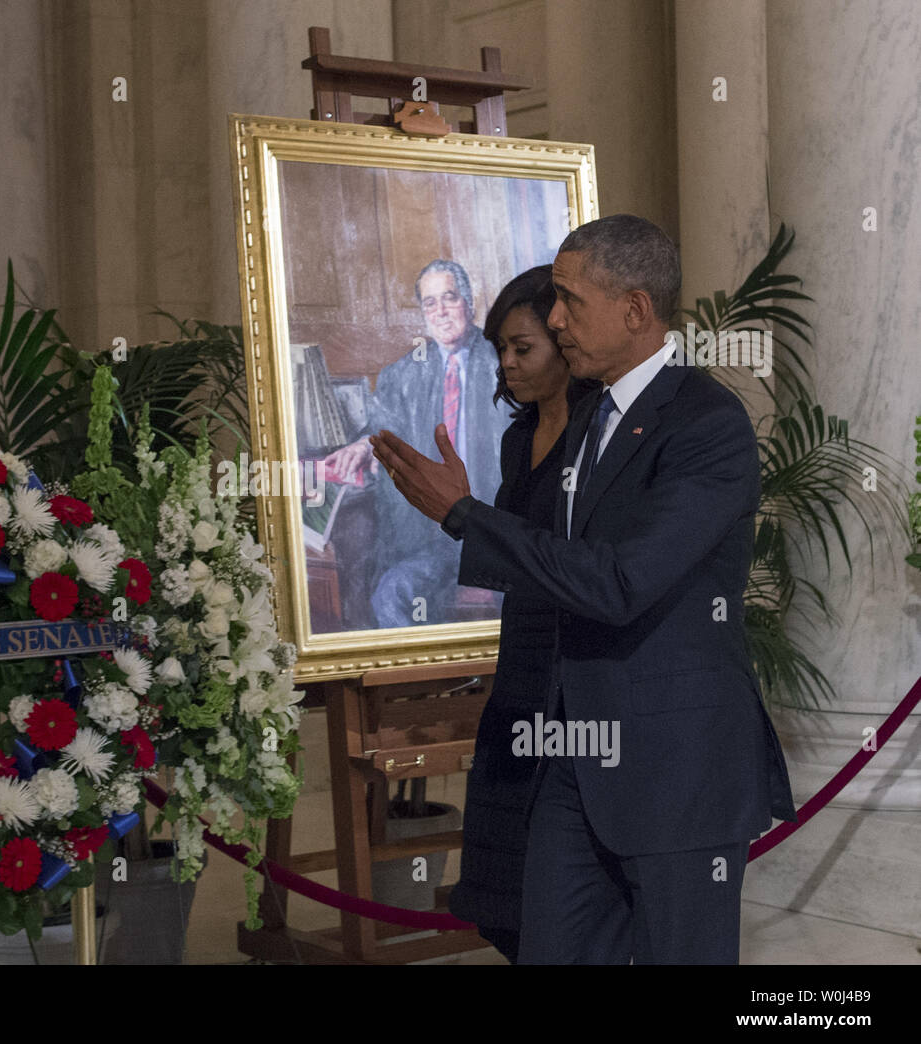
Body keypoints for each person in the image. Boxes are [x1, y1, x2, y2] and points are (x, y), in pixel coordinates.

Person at [371, 214, 796, 964]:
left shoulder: (707, 424)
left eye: (568, 300)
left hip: (675, 767)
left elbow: (621, 581)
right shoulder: (584, 414)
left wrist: (466, 516)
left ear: (635, 310)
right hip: (572, 757)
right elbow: (553, 563)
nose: (555, 318)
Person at [446, 264, 599, 963]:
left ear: (565, 346)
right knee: (500, 899)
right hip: (521, 669)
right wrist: (463, 518)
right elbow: (512, 560)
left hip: (579, 671)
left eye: (522, 347)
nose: (506, 365)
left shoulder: (603, 436)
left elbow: (586, 564)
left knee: (559, 898)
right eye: (499, 351)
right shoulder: (518, 438)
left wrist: (463, 514)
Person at [323, 259, 510, 628]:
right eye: (430, 303)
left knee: (526, 604)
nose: (440, 312)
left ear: (469, 302)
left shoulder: (505, 363)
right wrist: (365, 445)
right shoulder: (404, 373)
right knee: (391, 594)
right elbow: (382, 426)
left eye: (449, 298)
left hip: (500, 532)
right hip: (432, 538)